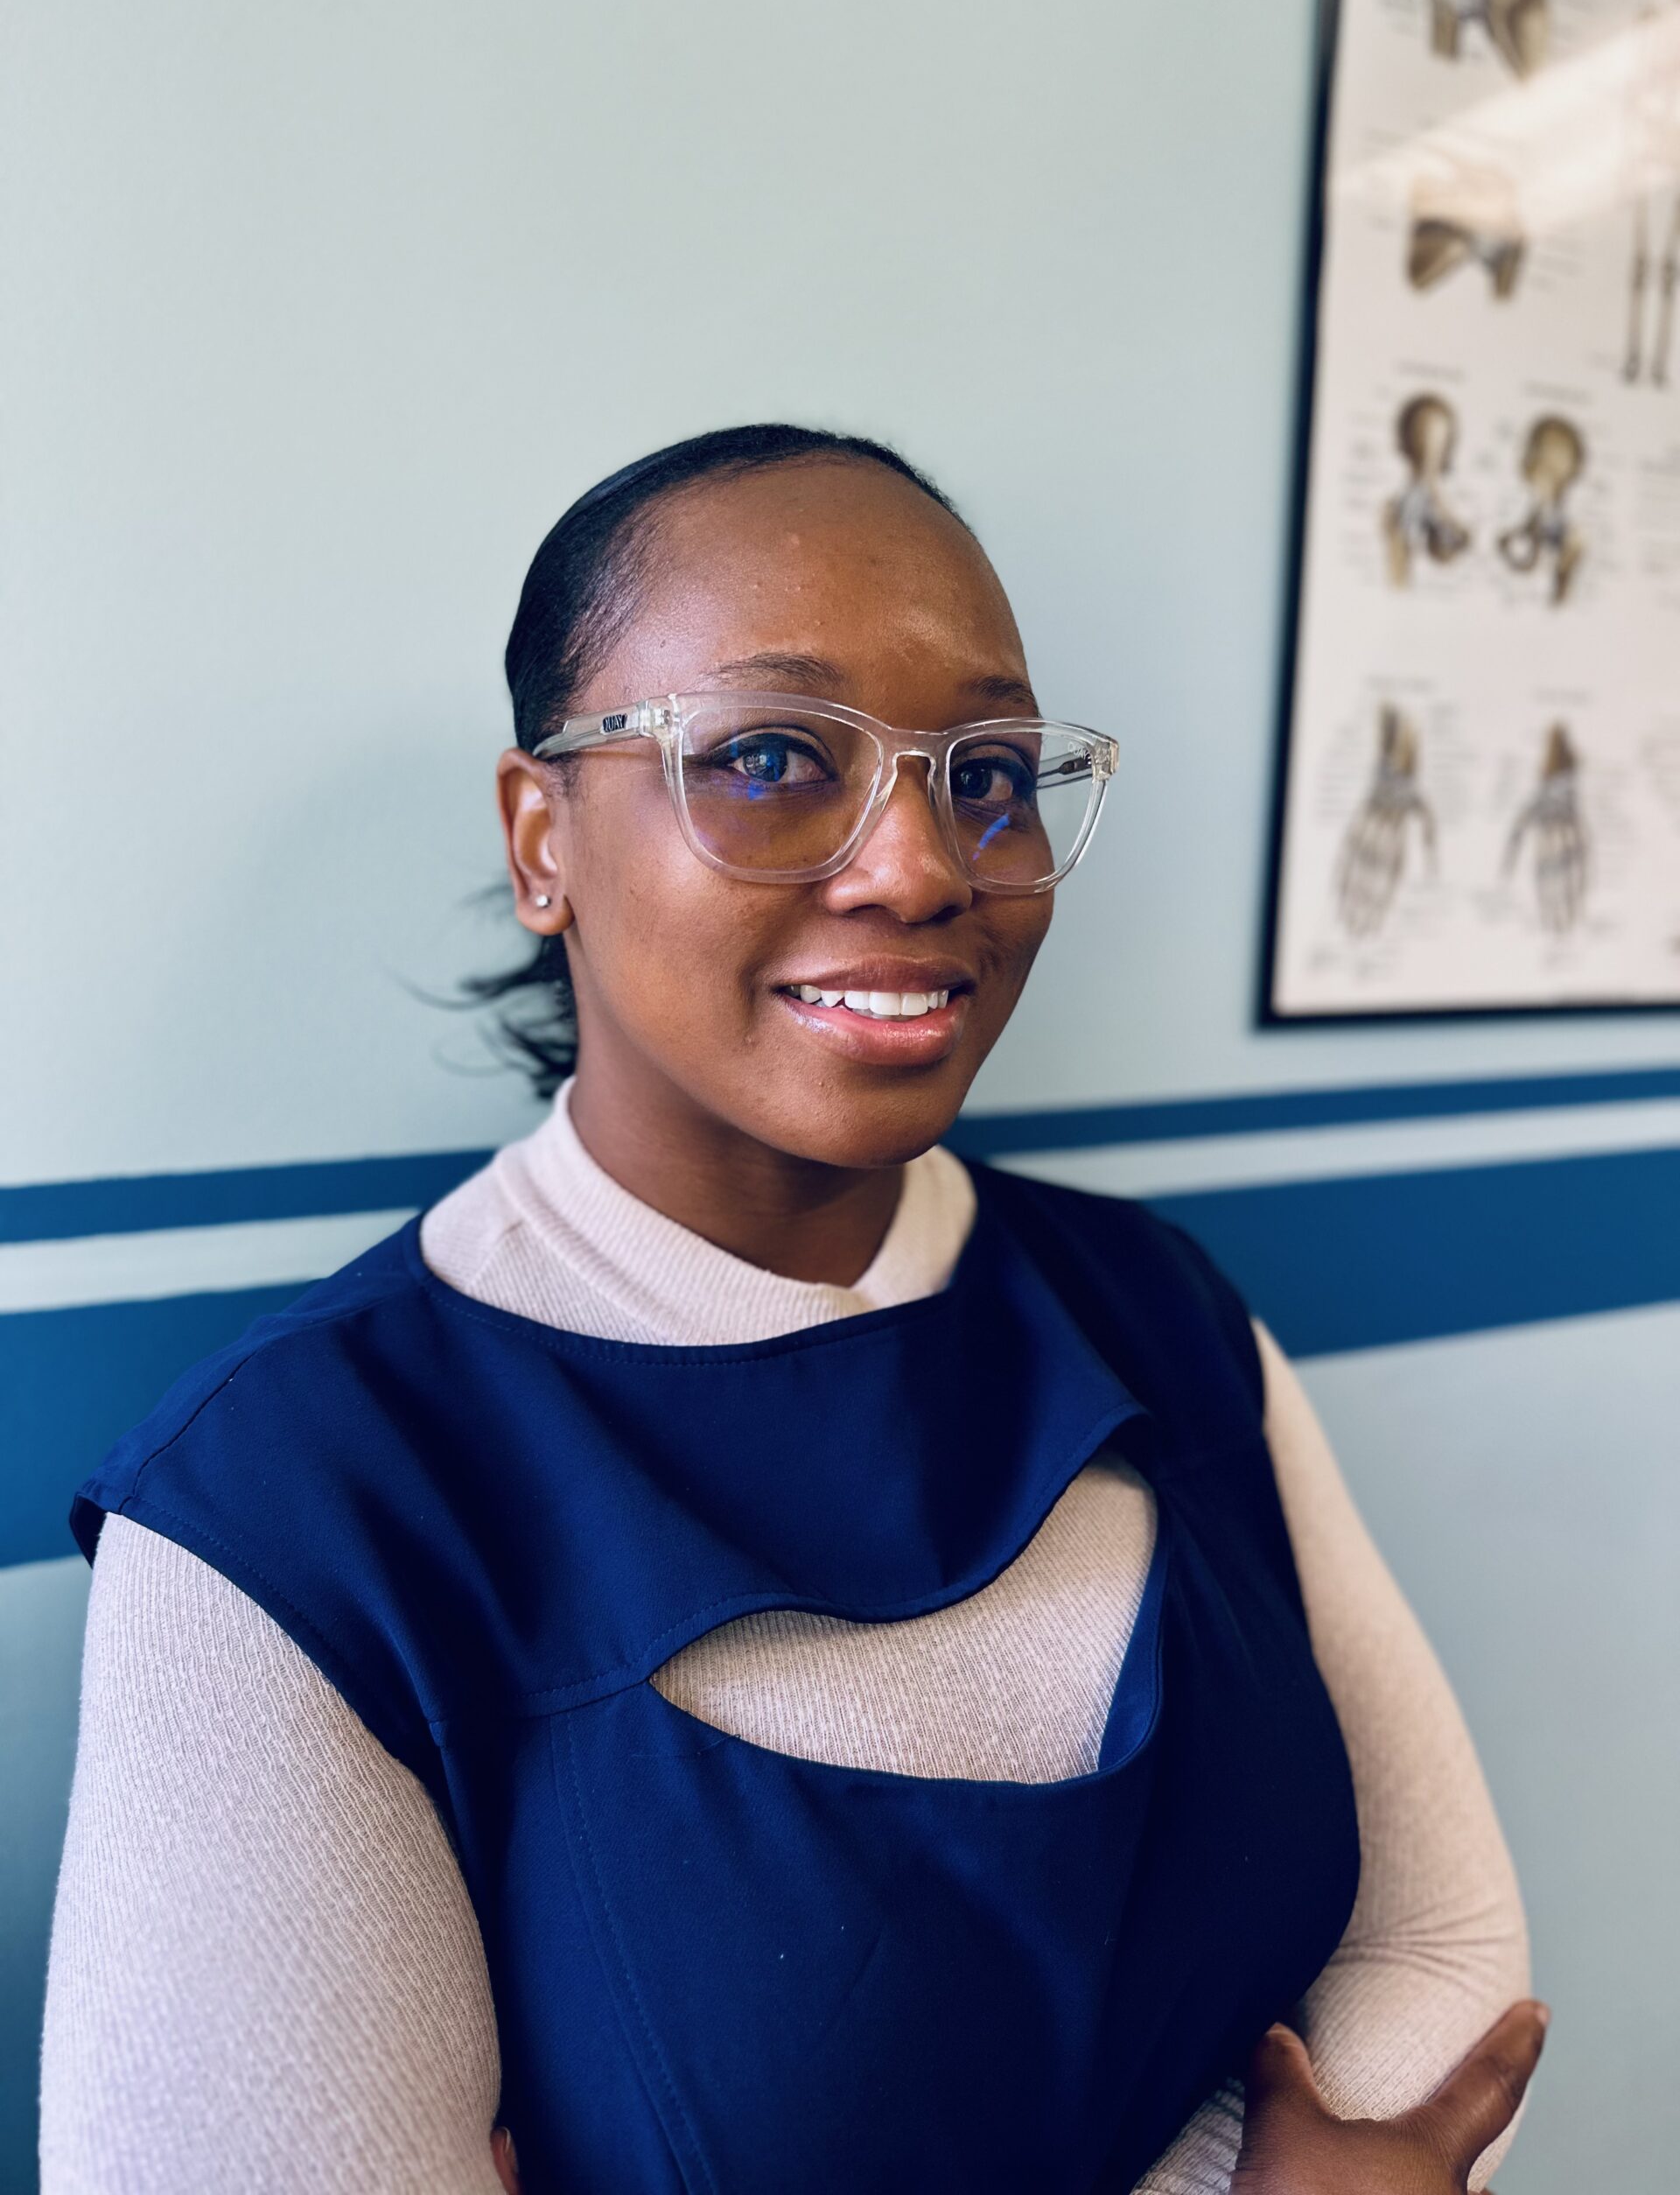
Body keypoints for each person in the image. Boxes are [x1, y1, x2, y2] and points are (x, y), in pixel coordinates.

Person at [42, 424, 1546, 2193]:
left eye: (988, 770)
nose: (920, 866)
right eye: (769, 755)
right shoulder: (297, 1513)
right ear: (544, 839)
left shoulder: (1159, 1317)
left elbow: (1448, 1969)